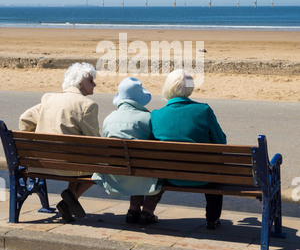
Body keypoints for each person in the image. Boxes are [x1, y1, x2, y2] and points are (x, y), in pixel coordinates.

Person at [19, 62, 99, 223]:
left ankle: (68, 205)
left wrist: (32, 145)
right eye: (91, 80)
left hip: (42, 165)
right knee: (103, 168)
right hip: (70, 167)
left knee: (75, 157)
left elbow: (24, 120)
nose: (94, 84)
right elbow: (94, 142)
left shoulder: (48, 98)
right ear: (80, 81)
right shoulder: (87, 105)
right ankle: (70, 199)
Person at [151, 69, 227, 230]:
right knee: (215, 170)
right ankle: (212, 219)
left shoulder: (156, 115)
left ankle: (146, 211)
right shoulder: (204, 110)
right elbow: (221, 142)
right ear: (190, 88)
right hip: (202, 176)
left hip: (169, 175)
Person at [92, 77, 164, 225]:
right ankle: (147, 211)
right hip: (143, 177)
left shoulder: (109, 118)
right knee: (148, 167)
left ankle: (133, 209)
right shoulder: (148, 118)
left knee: (133, 165)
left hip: (115, 176)